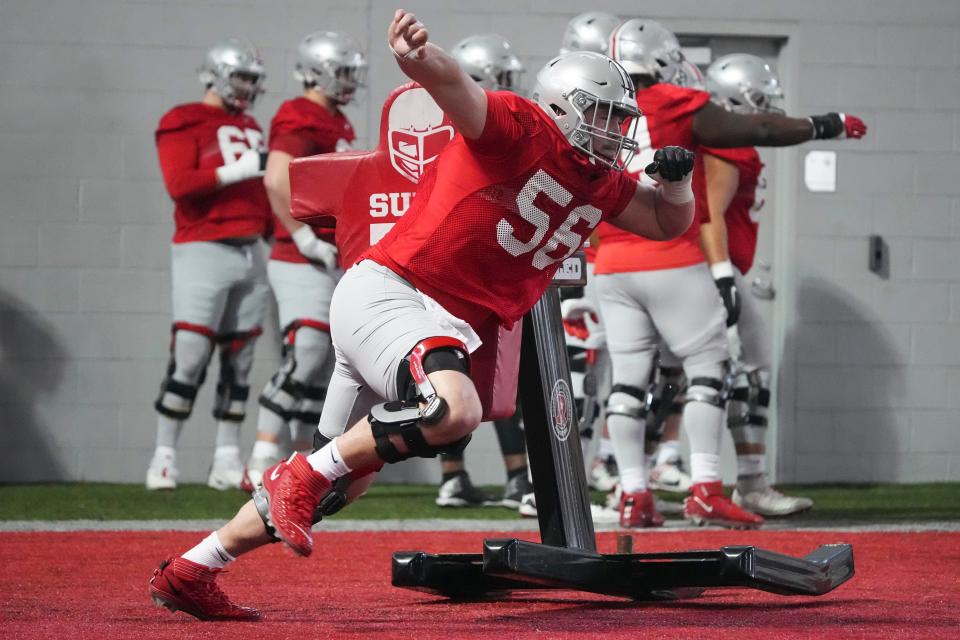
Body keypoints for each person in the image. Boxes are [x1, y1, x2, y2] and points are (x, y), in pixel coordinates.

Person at [148, 9, 696, 621]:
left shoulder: (602, 181)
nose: (615, 128)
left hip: (433, 318)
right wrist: (418, 56)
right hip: (397, 291)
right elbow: (456, 88)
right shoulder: (520, 127)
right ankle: (295, 476)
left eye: (622, 117)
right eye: (604, 114)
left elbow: (665, 222)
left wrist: (676, 186)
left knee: (341, 485)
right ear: (563, 107)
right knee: (452, 412)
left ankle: (194, 567)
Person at [598, 18, 866, 528]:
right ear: (659, 59)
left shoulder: (599, 107)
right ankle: (704, 488)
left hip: (611, 260)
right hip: (671, 254)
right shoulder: (676, 103)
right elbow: (758, 128)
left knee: (628, 384)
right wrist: (827, 124)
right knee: (709, 371)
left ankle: (634, 493)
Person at [242, 32, 367, 491]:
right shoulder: (299, 114)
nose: (351, 81)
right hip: (300, 255)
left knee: (327, 359)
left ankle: (300, 459)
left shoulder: (337, 119)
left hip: (328, 253)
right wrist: (303, 237)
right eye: (344, 70)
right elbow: (277, 180)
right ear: (316, 69)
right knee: (309, 351)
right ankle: (260, 455)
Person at [146, 38, 271, 491]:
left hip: (250, 249)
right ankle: (163, 456)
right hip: (203, 247)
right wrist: (236, 170)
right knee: (191, 356)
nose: (246, 87)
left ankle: (226, 457)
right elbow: (180, 184)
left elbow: (263, 193)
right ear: (214, 75)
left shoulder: (252, 125)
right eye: (240, 77)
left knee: (241, 359)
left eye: (252, 80)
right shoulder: (183, 119)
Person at [697, 53, 814, 516]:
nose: (772, 107)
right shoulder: (730, 149)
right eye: (762, 99)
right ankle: (743, 483)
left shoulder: (726, 146)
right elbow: (710, 217)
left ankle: (733, 482)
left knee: (731, 373)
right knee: (747, 371)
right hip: (713, 272)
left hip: (713, 270)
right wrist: (723, 275)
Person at [430, 32, 531, 509]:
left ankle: (464, 477)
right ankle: (504, 478)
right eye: (503, 78)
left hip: (467, 261)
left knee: (474, 374)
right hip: (471, 263)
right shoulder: (473, 130)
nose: (512, 87)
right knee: (478, 374)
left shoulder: (448, 124)